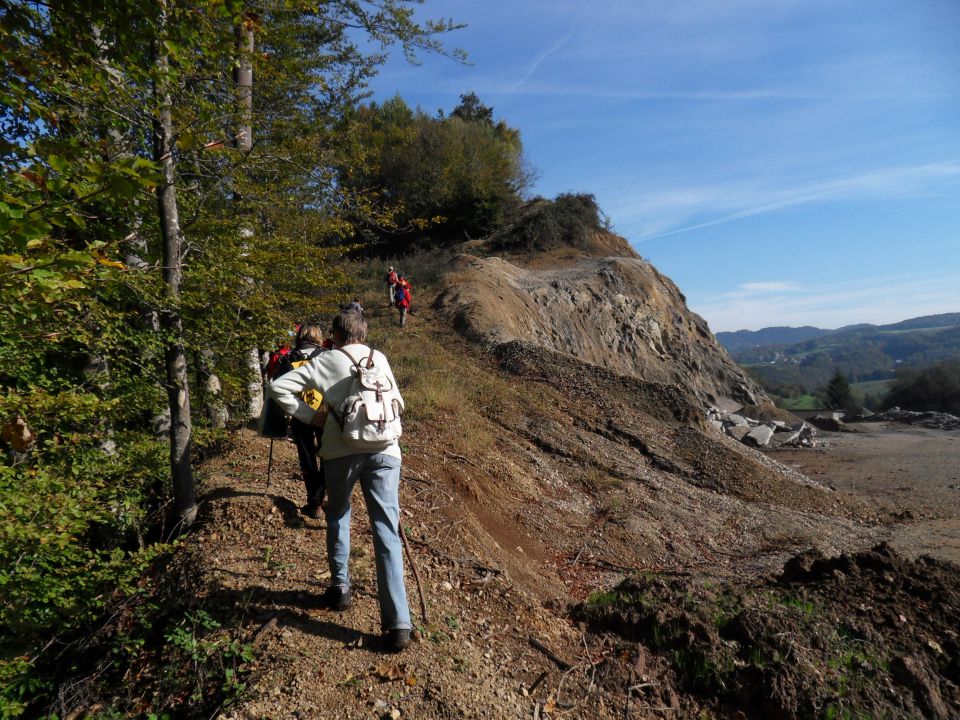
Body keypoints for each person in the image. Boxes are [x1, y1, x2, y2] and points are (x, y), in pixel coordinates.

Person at [268, 311, 412, 651]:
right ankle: (399, 624)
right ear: (363, 333)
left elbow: (278, 387)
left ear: (335, 334)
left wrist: (311, 415)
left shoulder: (327, 359)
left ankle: (341, 589)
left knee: (338, 514)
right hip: (386, 449)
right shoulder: (381, 358)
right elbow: (397, 402)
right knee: (386, 531)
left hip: (340, 450)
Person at [275, 324, 327, 518]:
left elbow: (278, 386)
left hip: (299, 412)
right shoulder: (326, 355)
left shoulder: (288, 357)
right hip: (324, 412)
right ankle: (321, 495)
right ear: (317, 336)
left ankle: (314, 502)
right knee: (328, 454)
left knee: (307, 458)